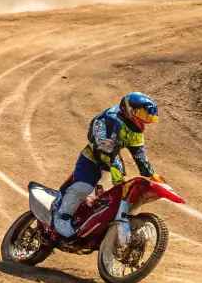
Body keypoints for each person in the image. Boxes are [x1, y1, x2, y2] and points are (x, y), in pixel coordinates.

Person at [52, 92, 161, 239]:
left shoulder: (135, 130)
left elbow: (140, 155)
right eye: (142, 114)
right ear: (130, 109)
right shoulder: (109, 119)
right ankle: (61, 217)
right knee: (83, 187)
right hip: (93, 157)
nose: (145, 120)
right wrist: (113, 168)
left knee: (119, 192)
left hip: (112, 159)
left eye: (148, 117)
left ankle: (104, 221)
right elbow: (102, 147)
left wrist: (151, 175)